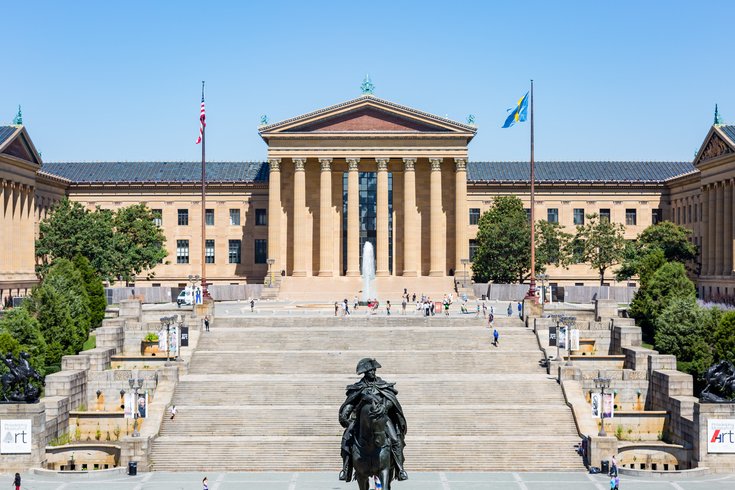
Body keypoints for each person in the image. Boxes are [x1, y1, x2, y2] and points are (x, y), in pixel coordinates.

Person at [339, 358, 408, 482]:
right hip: (360, 421)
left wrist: (384, 407)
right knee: (346, 439)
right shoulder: (358, 388)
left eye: (374, 370)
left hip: (382, 420)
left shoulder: (383, 385)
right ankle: (346, 469)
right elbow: (350, 404)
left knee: (395, 439)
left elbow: (391, 400)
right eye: (370, 370)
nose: (373, 372)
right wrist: (345, 416)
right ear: (365, 372)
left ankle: (400, 469)